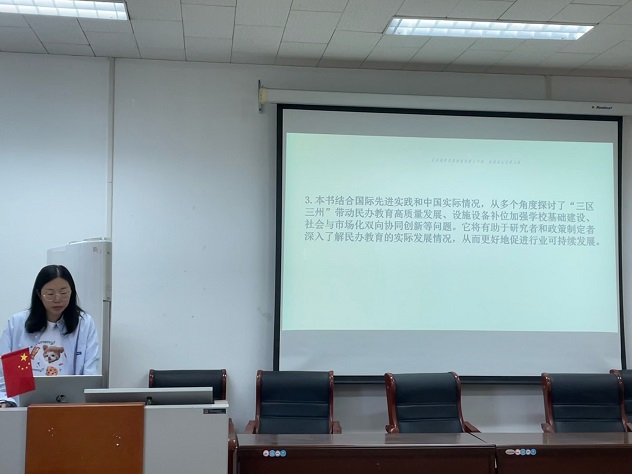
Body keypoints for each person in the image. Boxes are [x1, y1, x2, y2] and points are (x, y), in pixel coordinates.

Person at [0, 265, 99, 407]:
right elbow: (5, 373)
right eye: (50, 294)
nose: (57, 299)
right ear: (39, 294)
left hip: (70, 407)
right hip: (24, 408)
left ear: (72, 292)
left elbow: (90, 372)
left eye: (64, 293)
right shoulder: (18, 324)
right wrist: (6, 401)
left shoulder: (84, 323)